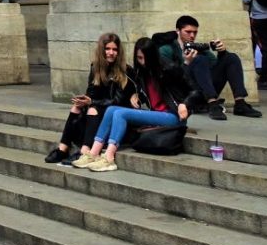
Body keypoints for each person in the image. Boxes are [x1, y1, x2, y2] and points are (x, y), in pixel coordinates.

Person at [73, 37, 201, 172]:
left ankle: (109, 157)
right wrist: (137, 95)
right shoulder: (141, 72)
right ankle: (93, 153)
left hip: (173, 116)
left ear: (153, 56)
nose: (143, 62)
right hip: (157, 114)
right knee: (111, 109)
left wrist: (185, 104)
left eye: (146, 58)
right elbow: (147, 92)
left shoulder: (169, 68)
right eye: (139, 58)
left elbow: (197, 91)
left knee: (120, 113)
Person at [45, 33, 136, 164]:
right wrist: (83, 100)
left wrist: (92, 102)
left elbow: (118, 101)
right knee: (76, 107)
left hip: (116, 111)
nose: (111, 53)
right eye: (107, 49)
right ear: (101, 50)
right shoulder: (95, 67)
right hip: (99, 106)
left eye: (114, 49)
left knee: (93, 109)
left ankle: (85, 151)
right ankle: (62, 148)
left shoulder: (126, 70)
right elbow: (91, 93)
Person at [153, 15, 258, 120]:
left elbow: (216, 67)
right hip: (184, 94)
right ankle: (212, 104)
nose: (192, 35)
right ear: (178, 31)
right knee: (199, 59)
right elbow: (168, 77)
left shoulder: (197, 47)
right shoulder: (167, 49)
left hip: (203, 90)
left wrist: (222, 53)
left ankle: (240, 103)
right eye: (188, 32)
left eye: (195, 32)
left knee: (231, 58)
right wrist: (186, 62)